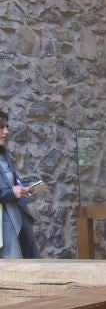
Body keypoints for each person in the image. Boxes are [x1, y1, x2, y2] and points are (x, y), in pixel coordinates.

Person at [0, 107, 39, 259]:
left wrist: (22, 188)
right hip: (3, 225)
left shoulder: (4, 155)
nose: (6, 132)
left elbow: (10, 182)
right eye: (1, 127)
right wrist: (12, 192)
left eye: (7, 127)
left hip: (17, 216)